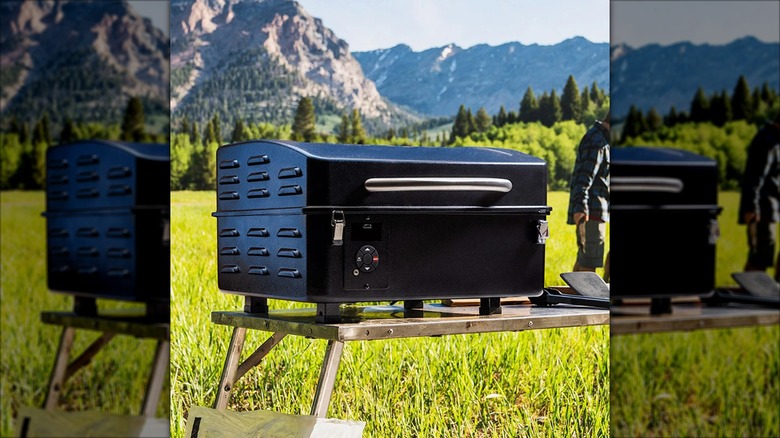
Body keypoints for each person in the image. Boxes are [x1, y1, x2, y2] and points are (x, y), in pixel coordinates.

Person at [567, 109, 610, 279]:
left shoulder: (602, 139)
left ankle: (571, 299)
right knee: (589, 262)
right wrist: (580, 208)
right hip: (591, 211)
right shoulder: (597, 141)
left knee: (585, 259)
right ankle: (583, 304)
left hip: (595, 210)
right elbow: (584, 178)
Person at [738, 113, 780, 281]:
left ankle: (772, 295)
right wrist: (751, 207)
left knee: (764, 252)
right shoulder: (767, 141)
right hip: (761, 208)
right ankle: (750, 298)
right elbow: (754, 177)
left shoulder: (775, 140)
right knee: (760, 256)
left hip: (770, 207)